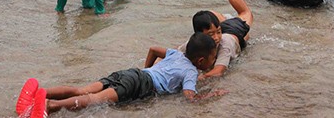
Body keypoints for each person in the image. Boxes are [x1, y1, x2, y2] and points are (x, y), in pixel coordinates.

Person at [14, 33, 219, 116]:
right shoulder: (191, 71)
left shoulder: (176, 53)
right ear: (201, 61)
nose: (213, 62)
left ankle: (43, 93)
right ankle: (50, 106)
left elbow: (154, 49)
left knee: (83, 89)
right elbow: (189, 97)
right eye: (212, 58)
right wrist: (210, 96)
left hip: (132, 73)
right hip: (141, 83)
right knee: (93, 100)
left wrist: (146, 69)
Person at [180, 0, 252, 80]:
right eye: (210, 34)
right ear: (199, 35)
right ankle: (219, 17)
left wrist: (198, 78)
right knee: (211, 21)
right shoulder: (195, 43)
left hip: (233, 32)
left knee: (246, 13)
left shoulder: (224, 45)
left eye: (217, 33)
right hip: (221, 27)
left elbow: (218, 71)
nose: (216, 38)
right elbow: (173, 54)